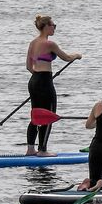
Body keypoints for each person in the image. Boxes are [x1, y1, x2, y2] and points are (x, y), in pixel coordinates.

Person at [25, 15, 82, 156]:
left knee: (35, 115)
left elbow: (28, 66)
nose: (54, 28)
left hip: (34, 81)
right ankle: (42, 150)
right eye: (53, 25)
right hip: (44, 81)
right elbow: (66, 57)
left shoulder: (33, 43)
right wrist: (77, 55)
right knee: (48, 115)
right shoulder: (50, 44)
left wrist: (38, 75)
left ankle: (30, 149)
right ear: (46, 27)